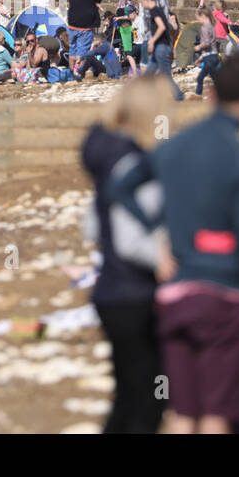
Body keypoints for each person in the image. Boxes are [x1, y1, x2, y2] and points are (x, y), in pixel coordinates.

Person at [109, 56, 239, 434]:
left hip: (177, 292)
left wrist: (156, 232)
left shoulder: (174, 147)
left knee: (183, 410)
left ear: (211, 96)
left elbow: (121, 186)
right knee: (216, 412)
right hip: (226, 294)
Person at [81, 76, 172, 434]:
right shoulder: (134, 160)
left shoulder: (108, 155)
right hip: (135, 292)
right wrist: (165, 256)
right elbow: (130, 238)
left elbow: (90, 226)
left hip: (111, 292)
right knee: (148, 403)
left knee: (128, 398)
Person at [135, 0, 182, 102]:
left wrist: (152, 40)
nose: (141, 5)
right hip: (160, 47)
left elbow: (162, 27)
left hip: (161, 47)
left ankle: (179, 97)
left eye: (141, 2)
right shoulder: (159, 10)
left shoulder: (154, 10)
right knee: (149, 74)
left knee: (166, 76)